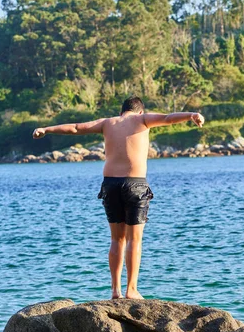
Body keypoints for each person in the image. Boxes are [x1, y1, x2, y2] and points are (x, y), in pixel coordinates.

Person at [32, 97, 205, 299]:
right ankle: (131, 290)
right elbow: (168, 118)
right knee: (135, 239)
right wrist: (191, 115)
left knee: (117, 239)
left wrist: (46, 129)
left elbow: (76, 128)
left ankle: (115, 291)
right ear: (140, 111)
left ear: (121, 111)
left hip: (111, 184)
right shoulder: (142, 120)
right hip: (135, 184)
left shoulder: (107, 123)